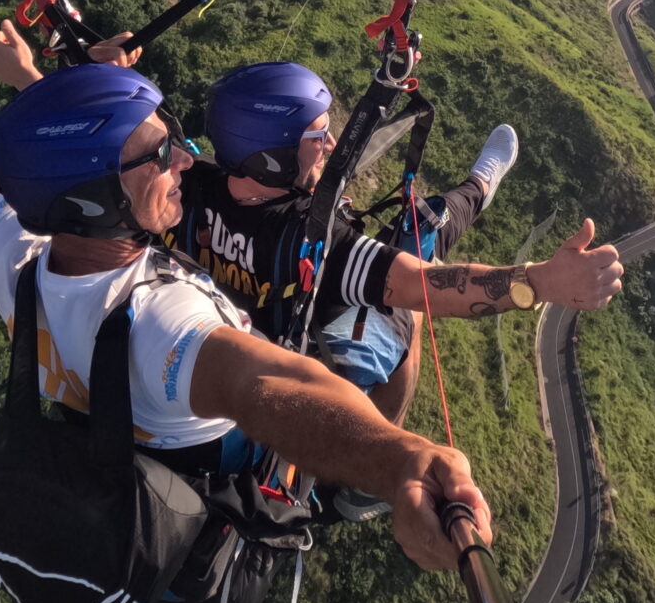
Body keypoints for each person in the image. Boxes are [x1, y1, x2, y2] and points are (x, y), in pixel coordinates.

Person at [0, 52, 491, 573]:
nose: (182, 159)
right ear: (94, 200)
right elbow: (271, 393)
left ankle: (480, 186)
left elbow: (8, 178)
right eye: (159, 155)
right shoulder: (167, 325)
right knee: (406, 316)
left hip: (117, 429)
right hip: (232, 460)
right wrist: (398, 461)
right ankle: (356, 494)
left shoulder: (15, 257)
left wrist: (61, 94)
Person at [187, 62, 623, 436]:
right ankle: (372, 451)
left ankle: (480, 186)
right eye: (317, 137)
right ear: (272, 156)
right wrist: (541, 282)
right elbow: (426, 285)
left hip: (228, 349)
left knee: (420, 232)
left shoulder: (182, 187)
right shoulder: (307, 241)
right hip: (303, 353)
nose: (331, 145)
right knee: (418, 256)